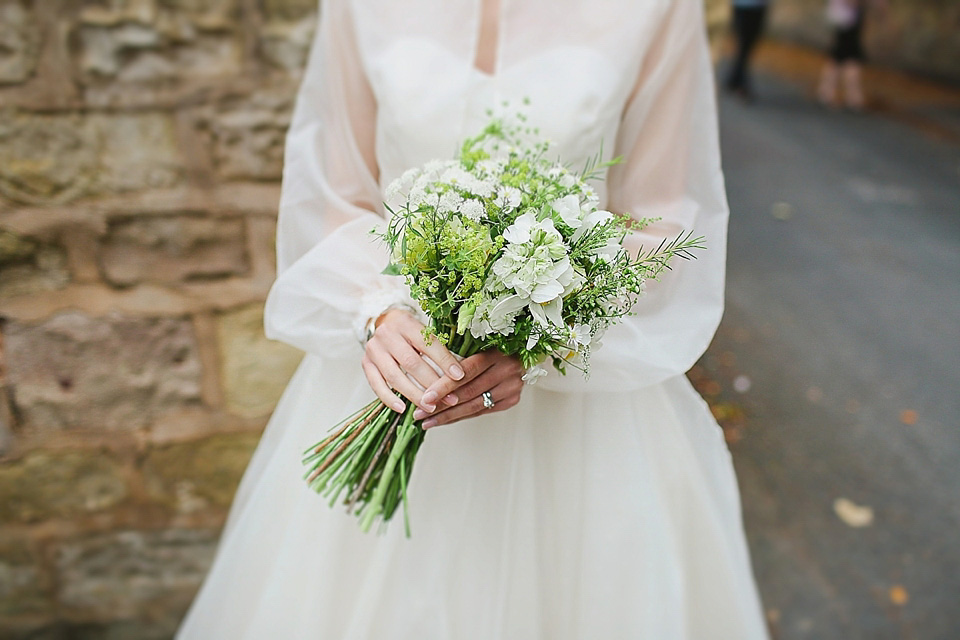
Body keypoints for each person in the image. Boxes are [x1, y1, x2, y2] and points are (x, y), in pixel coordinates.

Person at [176, 0, 770, 637]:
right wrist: (374, 311)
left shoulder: (658, 10)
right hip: (398, 367)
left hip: (578, 410)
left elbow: (665, 218)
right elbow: (333, 190)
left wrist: (541, 337)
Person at [818, 0, 886, 110]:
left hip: (847, 23)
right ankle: (852, 97)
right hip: (846, 24)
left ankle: (829, 92)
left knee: (839, 59)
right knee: (850, 59)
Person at [725, 0, 771, 102]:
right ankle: (740, 82)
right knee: (744, 45)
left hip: (756, 6)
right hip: (745, 6)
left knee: (746, 46)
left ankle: (734, 79)